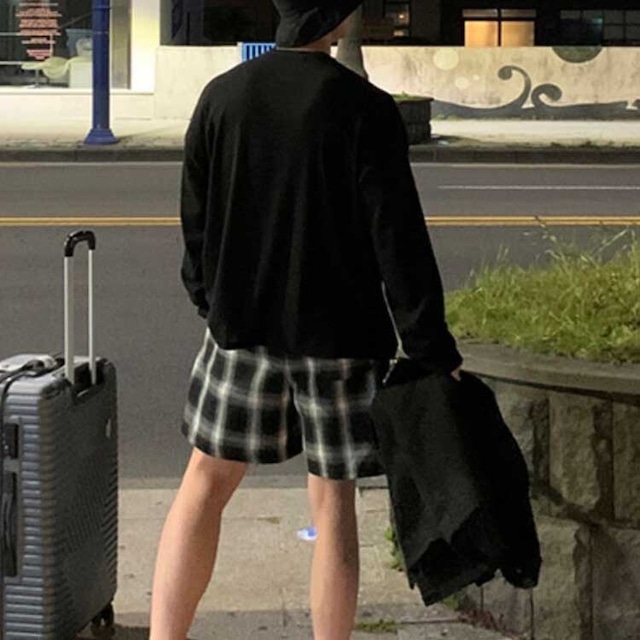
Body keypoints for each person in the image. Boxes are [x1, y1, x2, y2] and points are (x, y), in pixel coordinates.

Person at [149, 1, 463, 639]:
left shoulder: (222, 98)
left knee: (203, 484)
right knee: (333, 504)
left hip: (241, 331)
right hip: (340, 339)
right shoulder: (364, 109)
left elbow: (196, 222)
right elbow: (398, 241)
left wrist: (212, 302)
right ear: (338, 20)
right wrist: (429, 348)